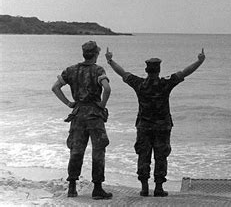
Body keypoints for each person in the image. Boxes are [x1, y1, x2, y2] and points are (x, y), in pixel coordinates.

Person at [105, 47, 205, 197]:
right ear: (159, 70)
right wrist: (199, 61)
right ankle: (158, 187)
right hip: (163, 126)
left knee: (143, 155)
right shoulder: (165, 83)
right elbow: (185, 72)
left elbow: (122, 73)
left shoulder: (139, 84)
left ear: (146, 70)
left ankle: (144, 187)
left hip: (144, 126)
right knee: (161, 156)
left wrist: (110, 61)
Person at [51, 41, 112, 200]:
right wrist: (102, 105)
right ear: (96, 54)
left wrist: (69, 103)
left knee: (76, 151)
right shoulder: (98, 70)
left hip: (77, 114)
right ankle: (97, 188)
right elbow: (107, 88)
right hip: (94, 115)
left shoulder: (71, 70)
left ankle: (72, 187)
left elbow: (55, 88)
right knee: (98, 150)